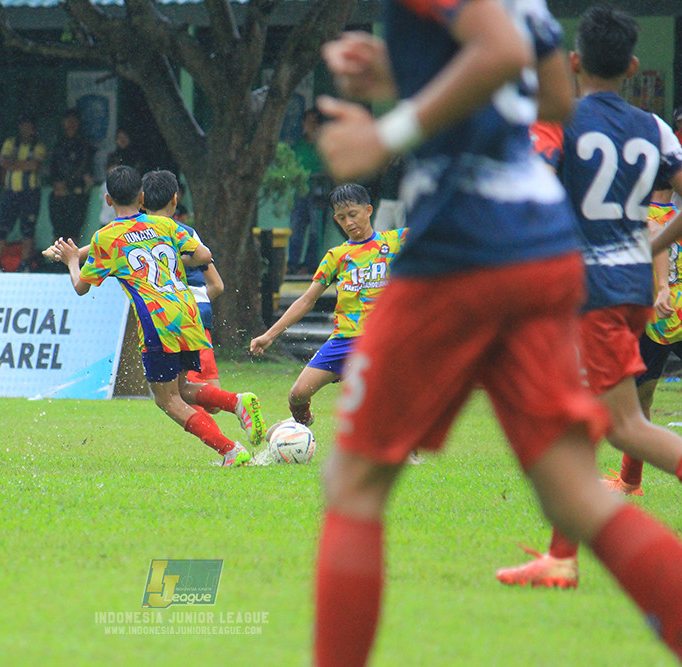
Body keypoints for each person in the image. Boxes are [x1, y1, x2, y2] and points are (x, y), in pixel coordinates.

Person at [312, 1, 682, 664]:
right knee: (575, 493)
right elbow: (552, 96)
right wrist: (407, 73)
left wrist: (386, 134)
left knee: (355, 481)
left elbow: (502, 55)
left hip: (461, 244)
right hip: (544, 251)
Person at [496, 6, 682, 590]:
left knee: (624, 426)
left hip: (590, 290)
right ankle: (561, 558)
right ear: (632, 66)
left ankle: (562, 558)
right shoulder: (656, 128)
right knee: (573, 422)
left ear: (574, 62)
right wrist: (653, 243)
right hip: (632, 288)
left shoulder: (560, 119)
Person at [50, 166, 265, 467]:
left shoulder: (105, 237)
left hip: (158, 320)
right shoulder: (164, 225)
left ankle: (230, 451)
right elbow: (204, 255)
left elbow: (81, 287)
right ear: (141, 197)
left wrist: (72, 260)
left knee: (167, 400)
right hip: (188, 311)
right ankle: (236, 402)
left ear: (108, 200)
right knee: (182, 389)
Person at [250, 184, 405, 428]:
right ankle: (300, 433)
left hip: (382, 339)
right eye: (342, 218)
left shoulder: (395, 241)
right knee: (297, 395)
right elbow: (306, 300)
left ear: (368, 211)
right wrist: (269, 335)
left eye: (353, 214)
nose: (349, 222)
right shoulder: (336, 256)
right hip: (344, 340)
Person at [602, 182, 679, 496]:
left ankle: (630, 481)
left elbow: (651, 238)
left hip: (655, 320)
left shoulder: (640, 215)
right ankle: (629, 481)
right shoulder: (674, 216)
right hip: (672, 316)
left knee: (637, 403)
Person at [141, 171, 225, 392]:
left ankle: (235, 402)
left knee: (172, 393)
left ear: (141, 200)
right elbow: (217, 285)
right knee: (199, 385)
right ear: (175, 199)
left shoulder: (134, 235)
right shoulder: (186, 233)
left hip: (161, 317)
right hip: (195, 312)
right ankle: (234, 403)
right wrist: (197, 305)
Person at [0, 117, 46, 272]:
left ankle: (25, 263)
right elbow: (3, 161)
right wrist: (24, 164)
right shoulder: (11, 143)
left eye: (29, 127)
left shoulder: (38, 146)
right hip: (10, 192)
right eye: (23, 126)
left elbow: (35, 165)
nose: (26, 130)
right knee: (1, 228)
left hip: (30, 193)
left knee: (28, 229)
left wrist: (13, 163)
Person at [287, 108, 329, 275]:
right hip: (301, 191)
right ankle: (292, 264)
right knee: (296, 228)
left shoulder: (323, 145)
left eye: (314, 123)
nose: (310, 126)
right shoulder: (299, 144)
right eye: (307, 122)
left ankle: (309, 265)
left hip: (319, 191)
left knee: (315, 230)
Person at [48, 109, 95, 244]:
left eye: (74, 121)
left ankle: (72, 257)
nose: (71, 125)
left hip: (76, 195)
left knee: (73, 234)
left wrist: (69, 184)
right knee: (58, 233)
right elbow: (53, 169)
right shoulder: (58, 144)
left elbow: (85, 171)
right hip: (58, 195)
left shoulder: (84, 145)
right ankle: (57, 257)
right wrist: (57, 184)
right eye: (68, 121)